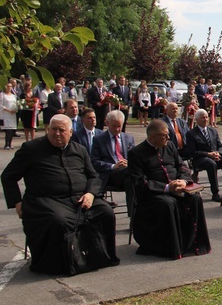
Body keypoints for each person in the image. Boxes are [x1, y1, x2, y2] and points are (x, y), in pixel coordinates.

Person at [1, 114, 119, 274]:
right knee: (59, 221)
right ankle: (62, 264)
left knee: (105, 212)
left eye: (61, 130)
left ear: (71, 132)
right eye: (53, 129)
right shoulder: (31, 149)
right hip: (46, 200)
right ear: (47, 130)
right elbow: (8, 176)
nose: (57, 133)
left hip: (79, 198)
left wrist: (90, 194)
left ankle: (97, 257)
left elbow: (93, 176)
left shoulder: (79, 150)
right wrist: (17, 202)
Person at [128, 120, 211, 259]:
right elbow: (139, 182)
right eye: (164, 136)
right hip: (153, 196)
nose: (168, 138)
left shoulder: (170, 146)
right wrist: (167, 188)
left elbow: (182, 166)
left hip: (177, 188)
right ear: (153, 137)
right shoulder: (136, 153)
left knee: (195, 198)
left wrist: (183, 181)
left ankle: (193, 244)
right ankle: (173, 247)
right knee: (168, 204)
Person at [91, 110, 135, 214]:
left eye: (119, 126)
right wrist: (113, 166)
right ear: (107, 123)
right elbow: (94, 161)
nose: (117, 129)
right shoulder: (99, 139)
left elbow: (135, 157)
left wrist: (129, 163)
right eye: (114, 126)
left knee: (131, 182)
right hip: (110, 174)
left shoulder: (128, 138)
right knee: (133, 173)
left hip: (127, 174)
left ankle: (133, 217)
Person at [183, 109, 222, 202]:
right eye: (202, 118)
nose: (205, 119)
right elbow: (192, 152)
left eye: (206, 117)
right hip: (200, 159)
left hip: (215, 156)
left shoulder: (213, 131)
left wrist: (219, 153)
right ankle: (215, 193)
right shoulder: (191, 134)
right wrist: (208, 154)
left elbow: (220, 146)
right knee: (211, 164)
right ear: (196, 120)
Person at [2, 82, 18, 150]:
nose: (9, 88)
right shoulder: (2, 95)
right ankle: (6, 144)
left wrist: (15, 109)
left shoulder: (13, 96)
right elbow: (1, 105)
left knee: (12, 130)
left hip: (13, 114)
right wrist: (8, 110)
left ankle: (10, 143)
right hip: (6, 113)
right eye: (8, 86)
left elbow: (16, 104)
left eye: (10, 86)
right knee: (8, 130)